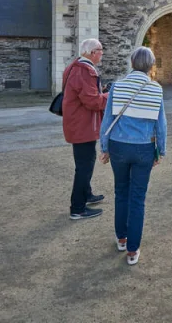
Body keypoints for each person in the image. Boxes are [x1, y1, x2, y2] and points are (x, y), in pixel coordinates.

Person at [100, 47, 167, 266]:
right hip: (143, 148)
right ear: (151, 65)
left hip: (119, 145)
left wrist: (104, 147)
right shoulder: (156, 89)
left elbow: (107, 120)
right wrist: (161, 151)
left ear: (132, 61)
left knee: (121, 191)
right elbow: (161, 125)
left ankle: (122, 237)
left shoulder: (118, 86)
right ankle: (132, 249)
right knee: (138, 198)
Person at [62, 38, 108, 220]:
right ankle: (77, 208)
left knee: (85, 163)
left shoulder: (75, 66)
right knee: (84, 166)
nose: (102, 53)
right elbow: (93, 102)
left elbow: (85, 94)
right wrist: (108, 95)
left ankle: (86, 194)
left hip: (77, 123)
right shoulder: (85, 71)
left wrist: (100, 91)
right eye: (100, 50)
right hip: (83, 125)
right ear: (92, 53)